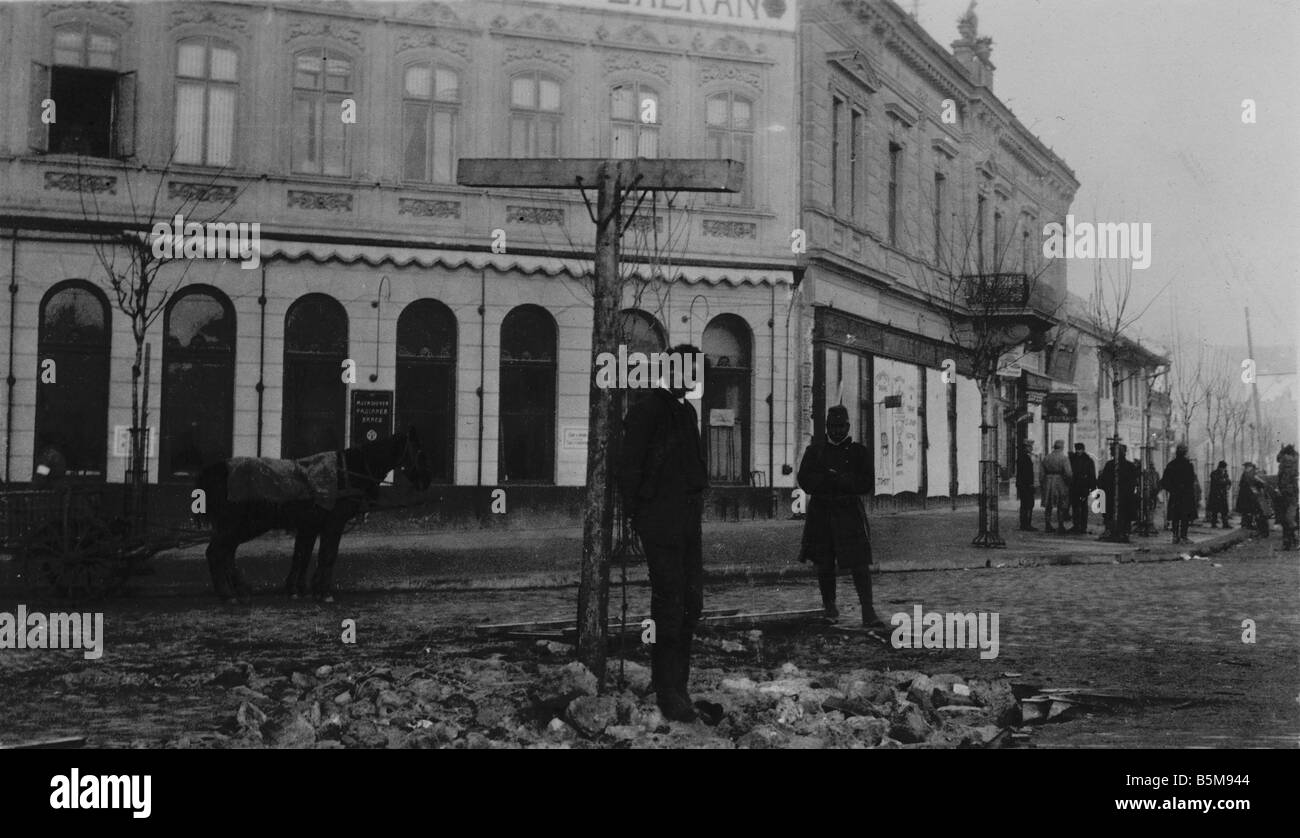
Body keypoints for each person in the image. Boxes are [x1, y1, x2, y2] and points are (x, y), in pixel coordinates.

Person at [619, 343, 708, 722]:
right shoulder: (646, 411)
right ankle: (666, 687)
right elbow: (628, 470)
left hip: (687, 524)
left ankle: (680, 684)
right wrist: (638, 520)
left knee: (692, 604)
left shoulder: (687, 412)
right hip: (661, 524)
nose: (693, 379)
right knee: (668, 605)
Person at [797, 405, 885, 630]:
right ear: (827, 428)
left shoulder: (858, 452)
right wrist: (826, 480)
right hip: (822, 513)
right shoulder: (815, 451)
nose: (837, 431)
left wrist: (842, 480)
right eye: (832, 427)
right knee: (824, 563)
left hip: (848, 513)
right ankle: (830, 607)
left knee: (859, 563)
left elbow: (865, 483)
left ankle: (868, 610)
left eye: (841, 426)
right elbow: (804, 480)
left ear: (848, 427)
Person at [1098, 444, 1138, 542]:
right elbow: (1134, 482)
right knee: (1124, 514)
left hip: (1112, 495)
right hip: (1125, 495)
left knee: (1110, 512)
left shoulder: (1110, 465)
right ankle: (1124, 532)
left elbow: (1104, 481)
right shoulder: (1129, 465)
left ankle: (1112, 530)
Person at [1160, 443, 1197, 544]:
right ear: (1185, 453)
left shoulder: (1171, 465)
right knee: (1185, 517)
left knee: (1175, 517)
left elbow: (1164, 481)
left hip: (1175, 495)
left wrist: (1172, 489)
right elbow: (1191, 480)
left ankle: (1175, 536)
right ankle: (1183, 536)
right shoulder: (1188, 465)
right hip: (1185, 495)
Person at [1039, 440, 1073, 533]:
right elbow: (1068, 473)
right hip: (1060, 482)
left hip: (1048, 482)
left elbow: (1041, 474)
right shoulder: (1064, 458)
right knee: (1061, 504)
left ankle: (1047, 524)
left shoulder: (1047, 458)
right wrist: (1068, 483)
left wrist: (1042, 484)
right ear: (1062, 447)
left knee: (1048, 505)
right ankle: (1061, 525)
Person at [1234, 463, 1270, 539]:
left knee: (1254, 512)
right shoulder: (1249, 474)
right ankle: (1251, 527)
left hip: (1251, 497)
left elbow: (1258, 483)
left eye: (1246, 467)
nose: (1245, 468)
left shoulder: (1250, 474)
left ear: (1250, 467)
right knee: (1250, 512)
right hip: (1249, 496)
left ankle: (1259, 530)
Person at [1068, 443, 1097, 534]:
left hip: (1083, 486)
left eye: (1079, 449)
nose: (1078, 451)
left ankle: (1083, 526)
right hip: (1074, 486)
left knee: (1083, 506)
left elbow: (1092, 474)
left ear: (1083, 449)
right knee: (1075, 506)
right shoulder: (1072, 459)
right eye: (1077, 449)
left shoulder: (1088, 460)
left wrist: (1092, 487)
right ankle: (1076, 525)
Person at [1277, 444, 1299, 551]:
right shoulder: (1293, 461)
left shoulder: (1287, 465)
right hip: (1289, 496)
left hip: (1289, 496)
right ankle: (1290, 542)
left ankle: (1291, 541)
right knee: (1288, 519)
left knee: (1288, 520)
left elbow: (1283, 480)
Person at [1016, 440, 1039, 531]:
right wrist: (1031, 484)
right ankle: (1026, 524)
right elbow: (1026, 473)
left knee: (1025, 504)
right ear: (1025, 448)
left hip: (1023, 484)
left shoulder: (1023, 457)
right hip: (1026, 485)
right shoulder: (1025, 458)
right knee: (1028, 504)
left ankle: (1024, 523)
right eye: (1029, 447)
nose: (1031, 448)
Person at [1207, 461, 1233, 528]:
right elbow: (1218, 482)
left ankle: (1225, 523)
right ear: (1220, 467)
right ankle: (1213, 523)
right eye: (1223, 468)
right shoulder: (1214, 473)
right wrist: (1225, 481)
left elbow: (1229, 481)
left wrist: (1228, 484)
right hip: (1216, 494)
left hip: (1222, 494)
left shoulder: (1225, 473)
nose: (1224, 469)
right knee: (1215, 510)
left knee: (1224, 510)